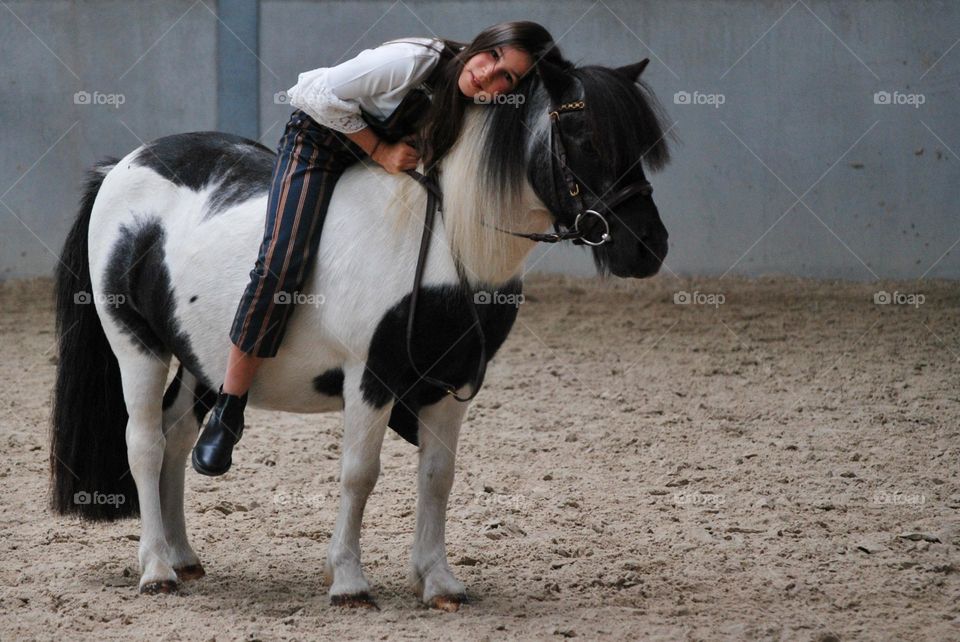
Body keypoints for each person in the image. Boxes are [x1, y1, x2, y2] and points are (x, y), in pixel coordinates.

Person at [192, 21, 566, 476]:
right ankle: (229, 407)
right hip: (318, 146)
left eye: (507, 77)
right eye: (493, 59)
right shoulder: (411, 61)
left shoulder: (479, 103)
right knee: (281, 264)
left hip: (382, 161)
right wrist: (380, 149)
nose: (490, 77)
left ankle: (405, 389)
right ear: (483, 45)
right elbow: (309, 91)